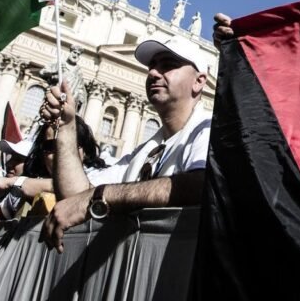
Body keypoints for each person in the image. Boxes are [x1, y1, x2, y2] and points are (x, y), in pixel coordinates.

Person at [40, 36, 211, 252]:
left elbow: (203, 185)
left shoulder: (209, 130)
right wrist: (66, 127)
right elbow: (77, 196)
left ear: (199, 81)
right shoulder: (144, 152)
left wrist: (104, 196)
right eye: (152, 66)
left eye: (167, 65)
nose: (153, 72)